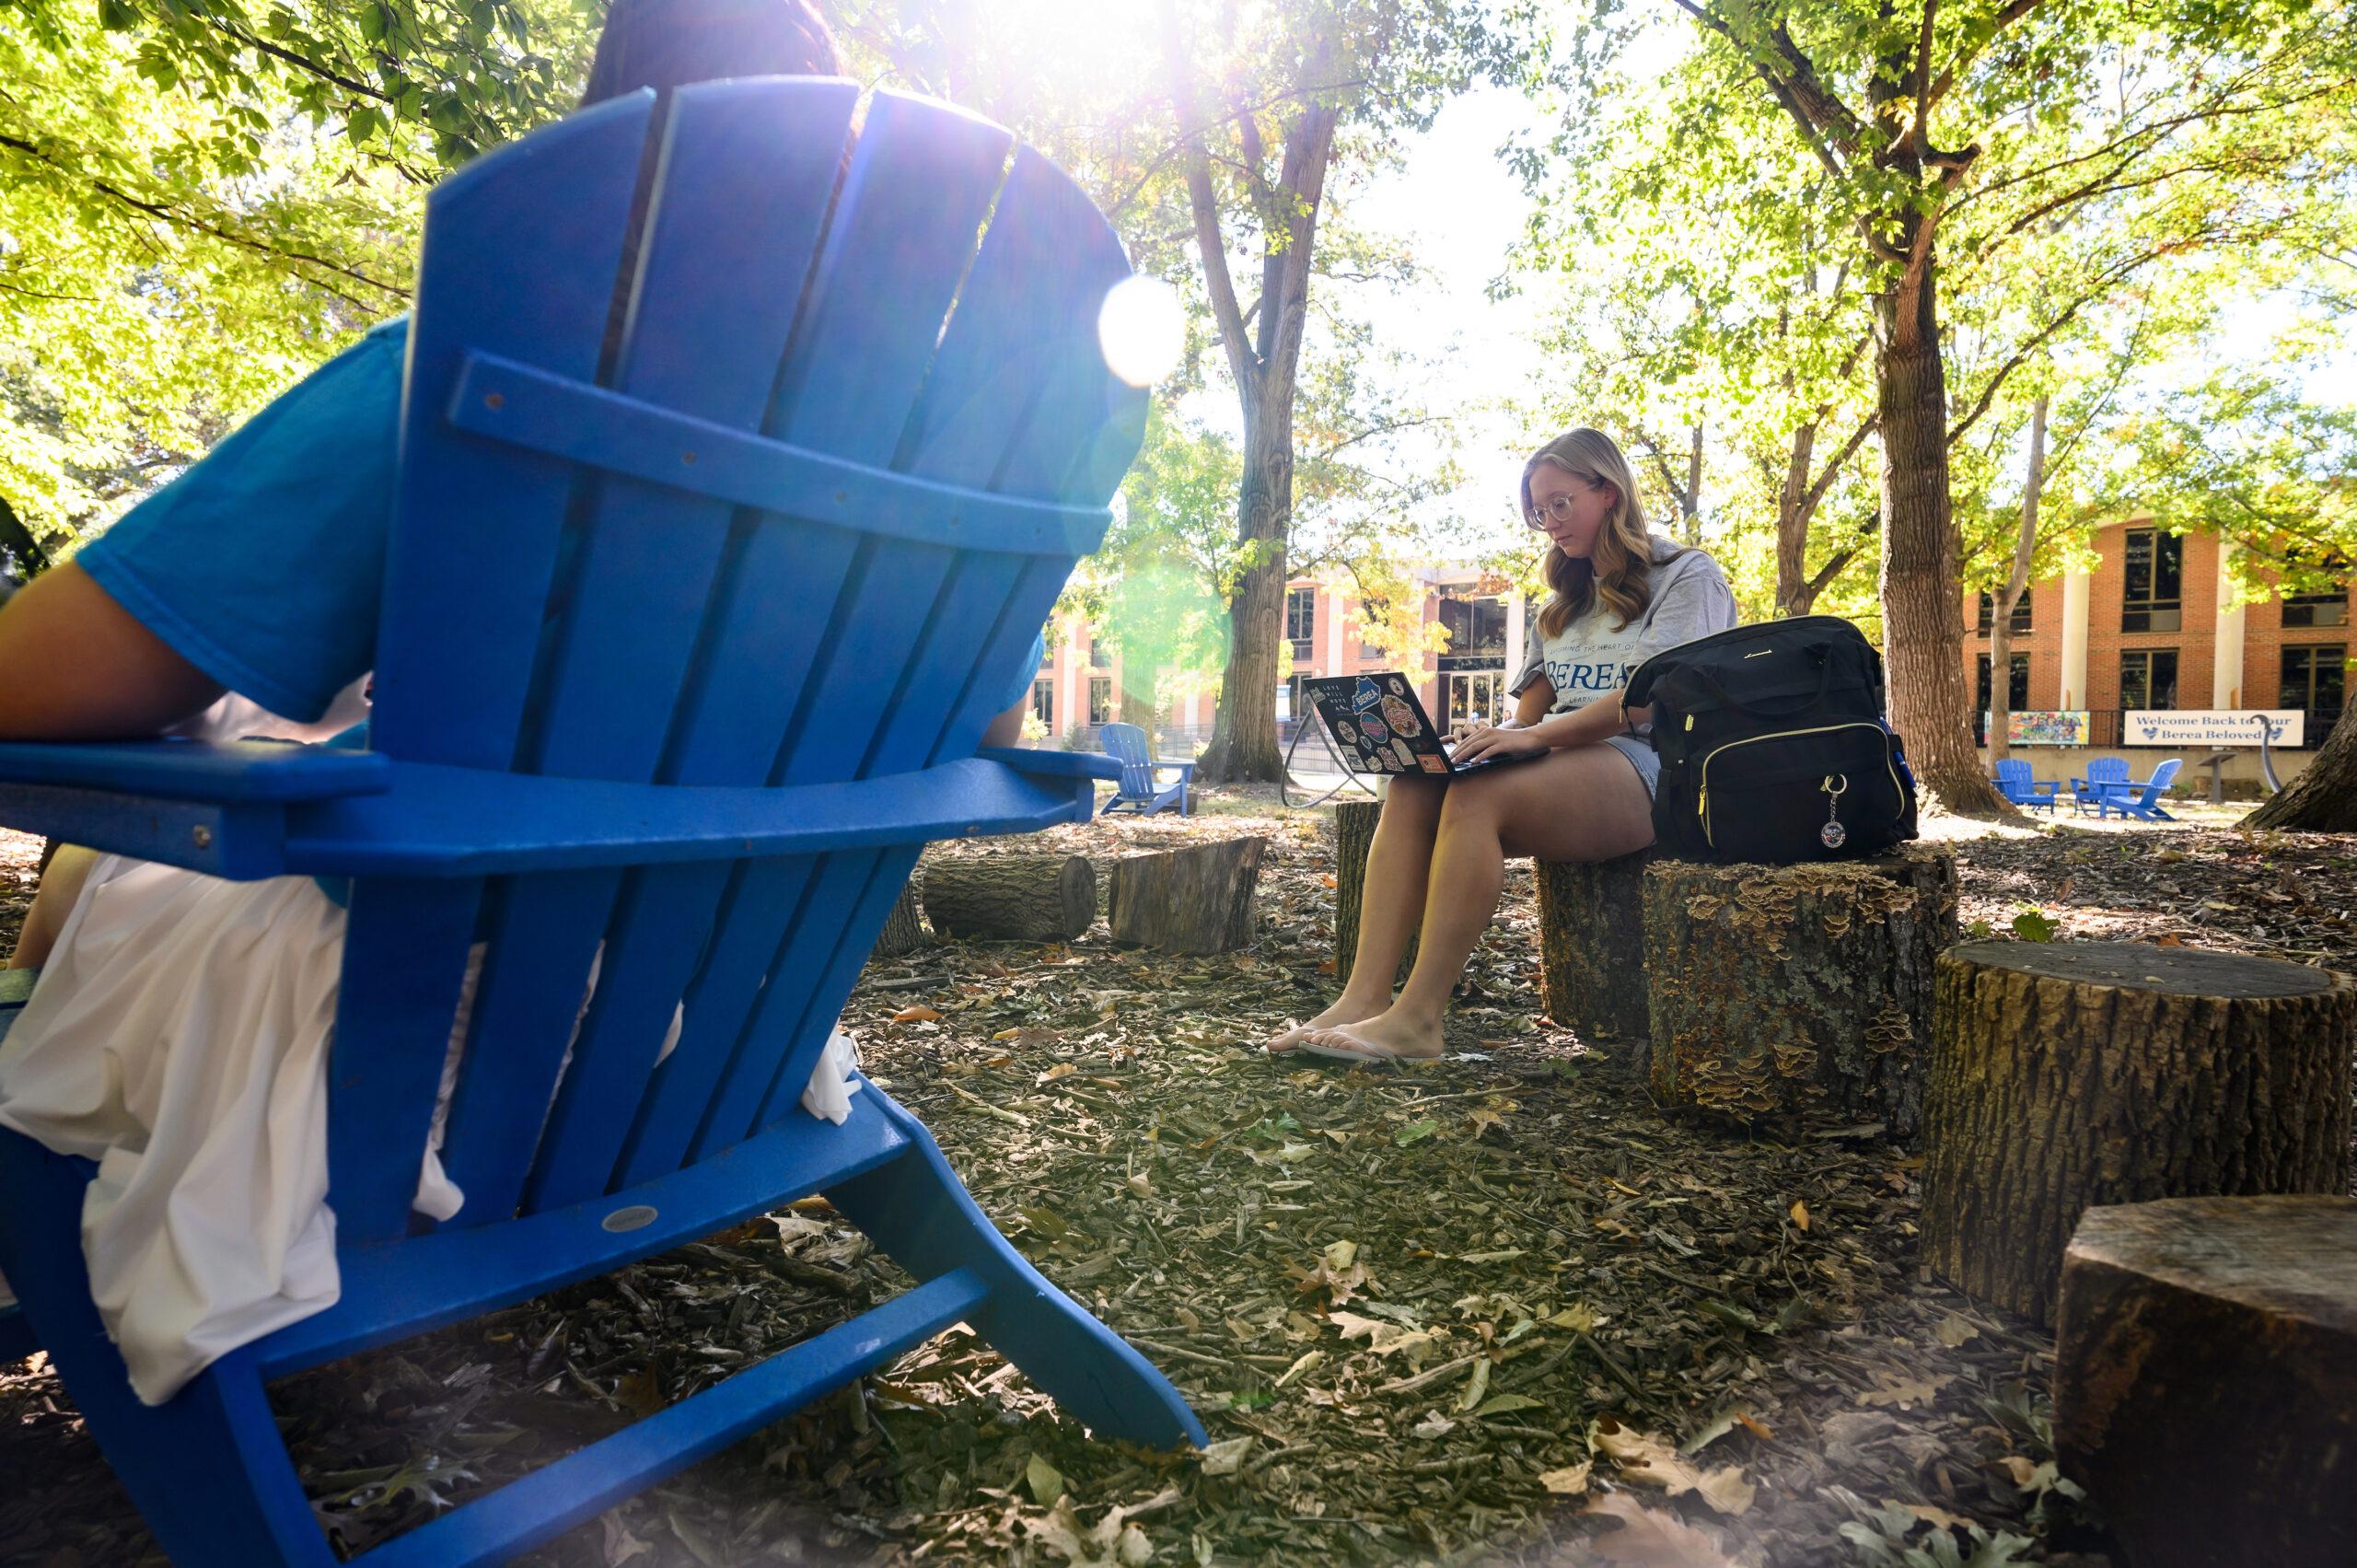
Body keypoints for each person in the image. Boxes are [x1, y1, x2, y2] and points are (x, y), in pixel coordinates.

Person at [0, 0, 1049, 1405]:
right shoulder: (945, 491)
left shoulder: (461, 374)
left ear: (608, 135)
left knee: (88, 854)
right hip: (711, 1032)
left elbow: (34, 684)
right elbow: (991, 742)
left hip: (401, 1057)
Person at [1269, 427, 1739, 1064]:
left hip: (1656, 769)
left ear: (1608, 491)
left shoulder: (1686, 575)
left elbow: (1649, 699)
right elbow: (1530, 716)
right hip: (1566, 764)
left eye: (1560, 503)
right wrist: (1489, 738)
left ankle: (1417, 1020)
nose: (1549, 522)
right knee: (1415, 781)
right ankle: (1361, 997)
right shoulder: (1563, 605)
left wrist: (1532, 740)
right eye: (1537, 512)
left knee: (1476, 795)